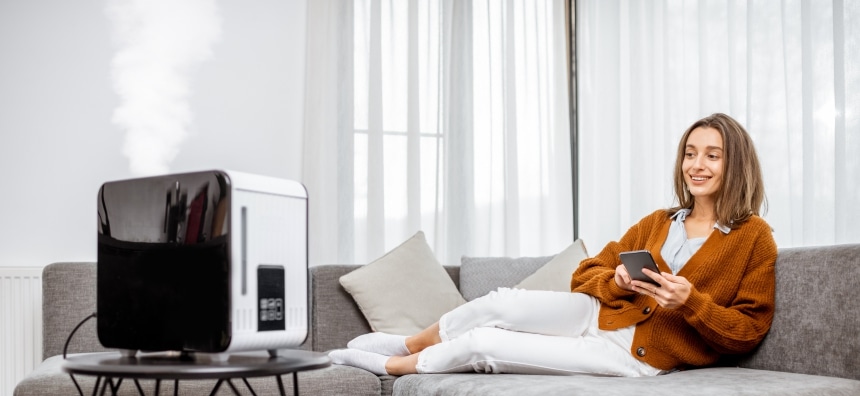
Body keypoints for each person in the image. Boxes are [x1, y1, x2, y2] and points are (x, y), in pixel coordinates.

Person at [330, 113, 777, 377]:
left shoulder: (753, 237)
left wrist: (691, 301)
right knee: (500, 302)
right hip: (596, 313)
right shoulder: (659, 222)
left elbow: (748, 331)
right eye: (690, 153)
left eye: (711, 155)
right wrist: (618, 281)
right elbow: (584, 274)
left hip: (634, 355)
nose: (696, 165)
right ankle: (409, 345)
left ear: (733, 163)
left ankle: (390, 369)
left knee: (487, 343)